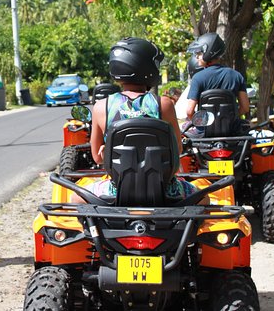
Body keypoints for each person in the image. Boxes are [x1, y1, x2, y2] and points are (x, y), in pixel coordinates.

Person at [79, 37, 196, 202]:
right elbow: (177, 151)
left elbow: (98, 158)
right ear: (148, 67)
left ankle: (92, 229)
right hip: (164, 189)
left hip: (116, 189)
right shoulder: (163, 104)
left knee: (74, 198)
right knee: (204, 199)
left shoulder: (101, 107)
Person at [185, 32, 249, 122]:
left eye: (199, 53)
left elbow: (189, 111)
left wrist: (201, 123)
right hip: (233, 130)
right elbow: (245, 108)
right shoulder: (237, 76)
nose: (197, 56)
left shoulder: (197, 78)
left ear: (208, 52)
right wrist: (230, 119)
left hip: (206, 132)